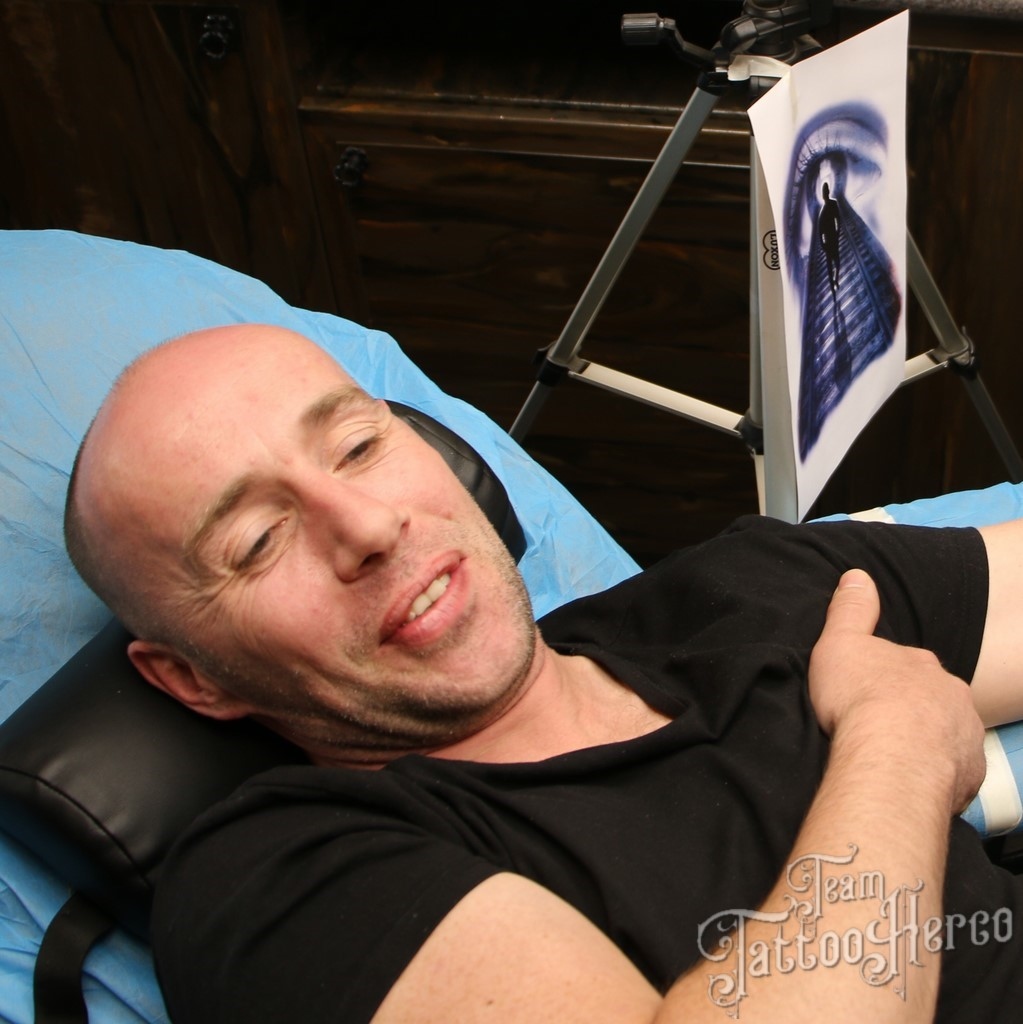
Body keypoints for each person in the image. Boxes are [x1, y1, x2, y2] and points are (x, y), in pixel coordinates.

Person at [63, 323, 1023, 1023]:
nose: (366, 526)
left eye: (357, 447)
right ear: (193, 680)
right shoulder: (278, 885)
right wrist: (896, 751)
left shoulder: (743, 591)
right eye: (258, 540)